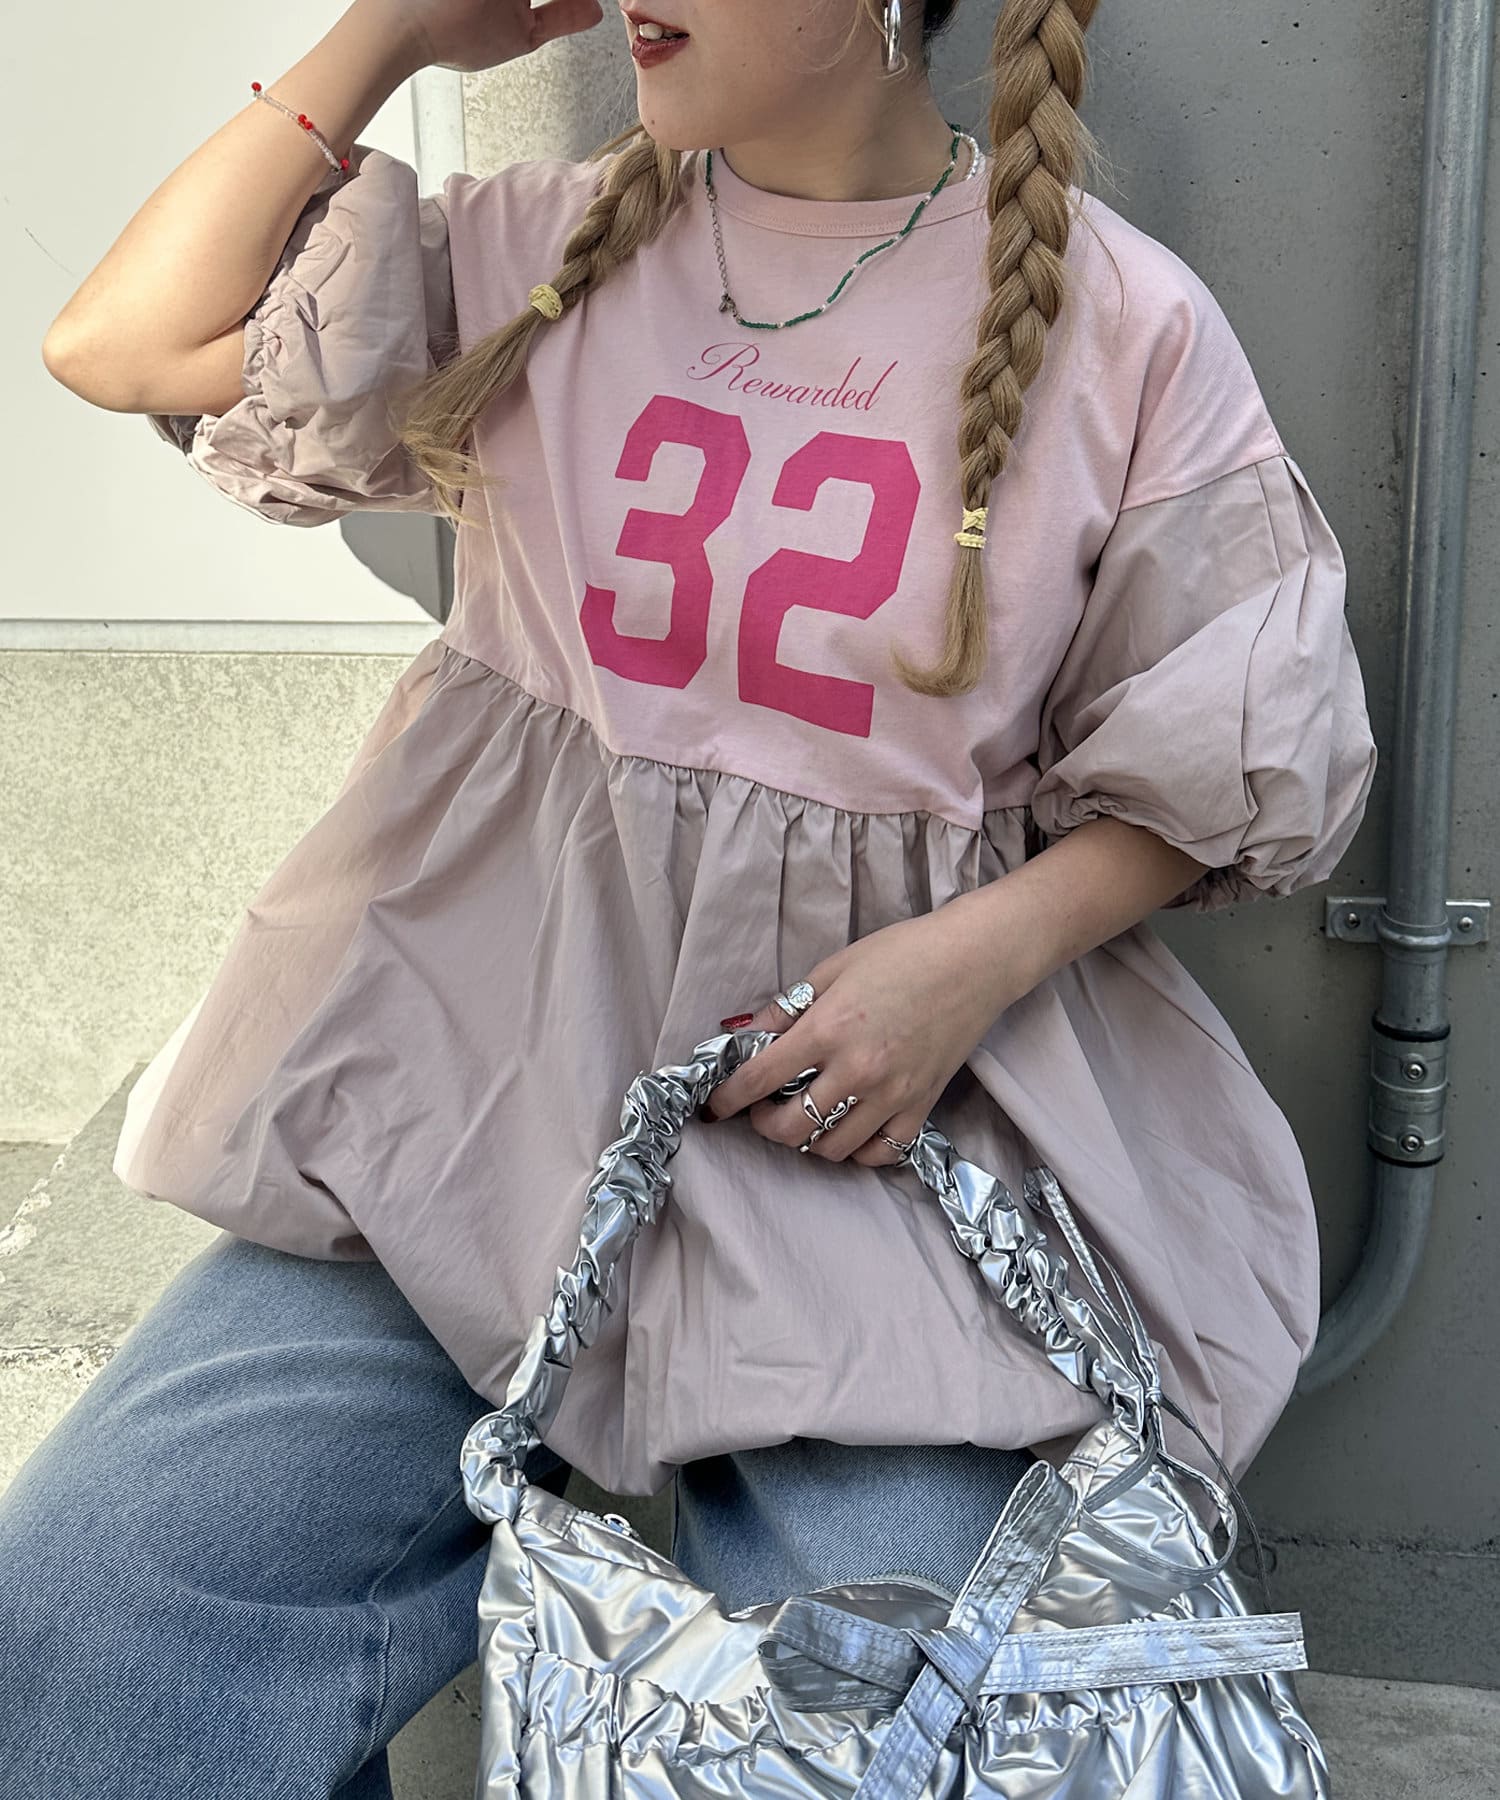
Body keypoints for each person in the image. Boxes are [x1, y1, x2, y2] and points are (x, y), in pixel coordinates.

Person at [10, 0, 1376, 1793]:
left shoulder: (1121, 323)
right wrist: (394, 30)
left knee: (901, 1726)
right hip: (473, 1106)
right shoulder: (535, 248)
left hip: (868, 1162)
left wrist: (966, 967)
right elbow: (122, 344)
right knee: (90, 1615)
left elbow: (1234, 758)